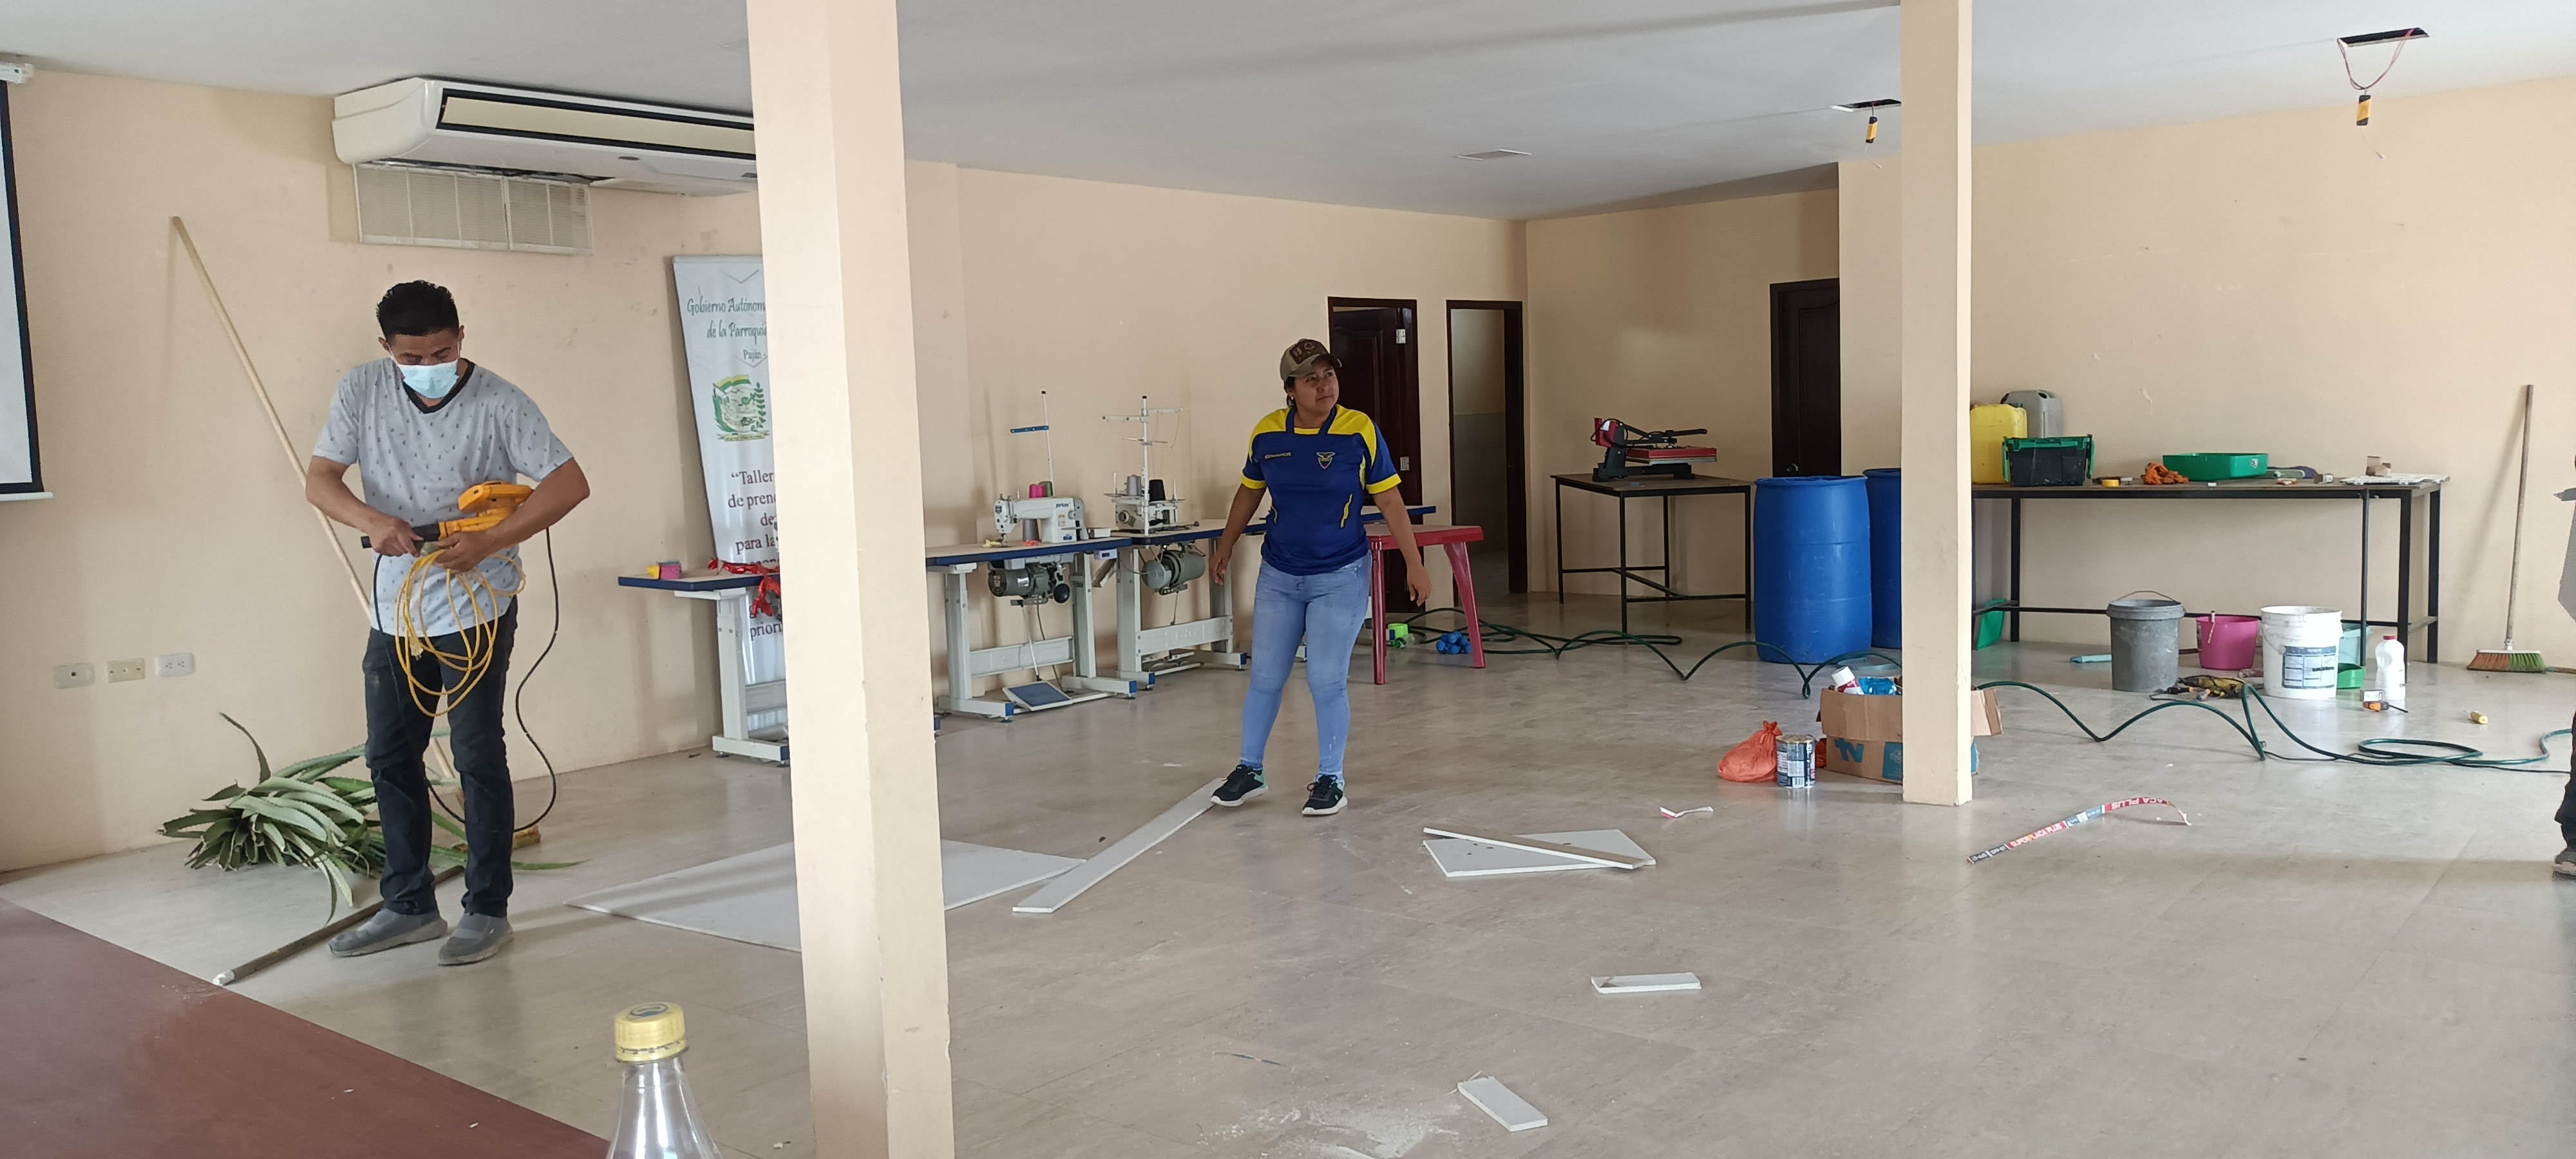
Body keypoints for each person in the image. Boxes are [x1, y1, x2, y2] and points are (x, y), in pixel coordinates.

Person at [303, 281, 590, 965]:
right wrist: (374, 521)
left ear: (461, 336)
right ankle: (408, 907)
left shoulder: (500, 402)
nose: (428, 365)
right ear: (386, 347)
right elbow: (320, 479)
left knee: (476, 754)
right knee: (390, 756)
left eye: (441, 352)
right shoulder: (362, 390)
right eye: (411, 357)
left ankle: (487, 910)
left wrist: (490, 542)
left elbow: (568, 484)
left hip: (476, 604)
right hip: (396, 607)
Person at [1207, 339, 1431, 816]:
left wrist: (1414, 563)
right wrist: (1226, 543)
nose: (1324, 385)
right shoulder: (1268, 433)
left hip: (1340, 574)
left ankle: (1331, 778)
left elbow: (1389, 499)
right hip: (1280, 574)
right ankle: (1250, 769)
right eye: (1311, 379)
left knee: (1326, 680)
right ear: (1290, 390)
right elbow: (1250, 491)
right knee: (1265, 677)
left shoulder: (1359, 430)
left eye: (1329, 375)